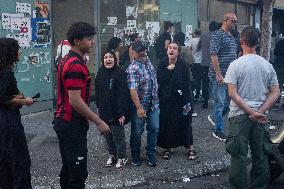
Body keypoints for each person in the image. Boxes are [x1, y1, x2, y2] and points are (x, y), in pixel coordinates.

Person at [53, 22, 110, 188]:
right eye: (89, 39)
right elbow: (75, 101)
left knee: (69, 168)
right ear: (77, 41)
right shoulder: (75, 65)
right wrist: (98, 121)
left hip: (64, 121)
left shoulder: (66, 60)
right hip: (71, 124)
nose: (92, 42)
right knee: (77, 173)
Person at [224, 26, 280, 189]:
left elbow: (232, 94)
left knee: (238, 156)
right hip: (260, 117)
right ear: (257, 43)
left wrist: (250, 112)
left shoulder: (235, 65)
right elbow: (275, 92)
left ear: (242, 41)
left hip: (239, 116)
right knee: (261, 155)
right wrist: (259, 112)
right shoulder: (267, 65)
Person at [0, 38, 34, 188]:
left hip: (3, 121)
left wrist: (17, 95)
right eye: (17, 49)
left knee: (5, 160)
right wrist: (23, 101)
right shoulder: (6, 72)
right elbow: (2, 98)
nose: (19, 51)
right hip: (8, 121)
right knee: (18, 159)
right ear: (9, 52)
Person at [157, 42, 196, 160]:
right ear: (167, 50)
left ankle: (190, 146)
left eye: (174, 48)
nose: (172, 50)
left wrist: (188, 102)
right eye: (170, 48)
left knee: (185, 121)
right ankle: (168, 148)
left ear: (178, 52)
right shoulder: (162, 63)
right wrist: (168, 70)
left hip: (181, 98)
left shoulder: (183, 64)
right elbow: (160, 79)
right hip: (166, 98)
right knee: (167, 123)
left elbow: (187, 84)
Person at [95, 50, 131, 169]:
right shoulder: (100, 73)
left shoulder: (120, 73)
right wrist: (98, 108)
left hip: (117, 112)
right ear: (103, 60)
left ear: (115, 60)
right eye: (106, 57)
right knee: (107, 135)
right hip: (105, 111)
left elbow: (123, 94)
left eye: (111, 57)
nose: (108, 59)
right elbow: (98, 93)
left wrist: (121, 113)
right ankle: (113, 155)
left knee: (118, 136)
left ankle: (122, 156)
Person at [126, 41, 160, 167]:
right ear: (133, 53)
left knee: (154, 129)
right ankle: (135, 155)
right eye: (139, 51)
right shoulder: (132, 69)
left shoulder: (148, 62)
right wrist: (139, 108)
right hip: (140, 107)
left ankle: (151, 153)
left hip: (154, 105)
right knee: (137, 131)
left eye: (144, 50)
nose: (142, 53)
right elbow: (132, 90)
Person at [208, 13, 238, 141]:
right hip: (219, 75)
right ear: (225, 21)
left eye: (236, 21)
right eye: (233, 21)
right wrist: (218, 74)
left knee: (231, 100)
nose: (235, 23)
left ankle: (215, 117)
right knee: (220, 102)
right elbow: (213, 55)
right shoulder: (218, 35)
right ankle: (218, 130)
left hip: (230, 75)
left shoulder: (231, 36)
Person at [198, 21, 221, 109]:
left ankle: (205, 101)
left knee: (205, 83)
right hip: (215, 64)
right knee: (216, 82)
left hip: (204, 63)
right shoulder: (218, 36)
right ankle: (216, 101)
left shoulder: (203, 36)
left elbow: (198, 47)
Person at [188, 29, 202, 102]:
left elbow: (189, 51)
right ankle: (198, 95)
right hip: (201, 63)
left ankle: (193, 94)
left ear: (195, 33)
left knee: (193, 79)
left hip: (193, 62)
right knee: (199, 79)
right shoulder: (202, 40)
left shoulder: (191, 41)